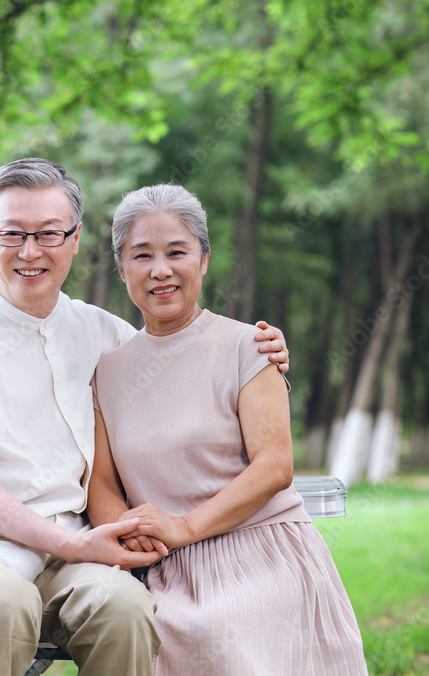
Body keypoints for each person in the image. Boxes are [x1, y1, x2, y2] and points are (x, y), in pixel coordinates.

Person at [0, 158, 290, 676]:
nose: (30, 251)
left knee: (125, 609)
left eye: (48, 233)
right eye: (12, 234)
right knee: (2, 603)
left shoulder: (104, 335)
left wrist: (261, 351)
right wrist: (75, 544)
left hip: (66, 561)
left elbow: (187, 369)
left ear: (74, 240)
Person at [88, 183, 368, 676]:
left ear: (204, 260)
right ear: (121, 268)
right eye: (142, 255)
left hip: (261, 553)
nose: (161, 270)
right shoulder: (106, 371)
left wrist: (185, 528)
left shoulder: (249, 346)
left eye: (178, 252)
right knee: (149, 631)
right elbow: (103, 484)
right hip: (165, 567)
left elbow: (276, 466)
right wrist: (130, 537)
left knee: (219, 633)